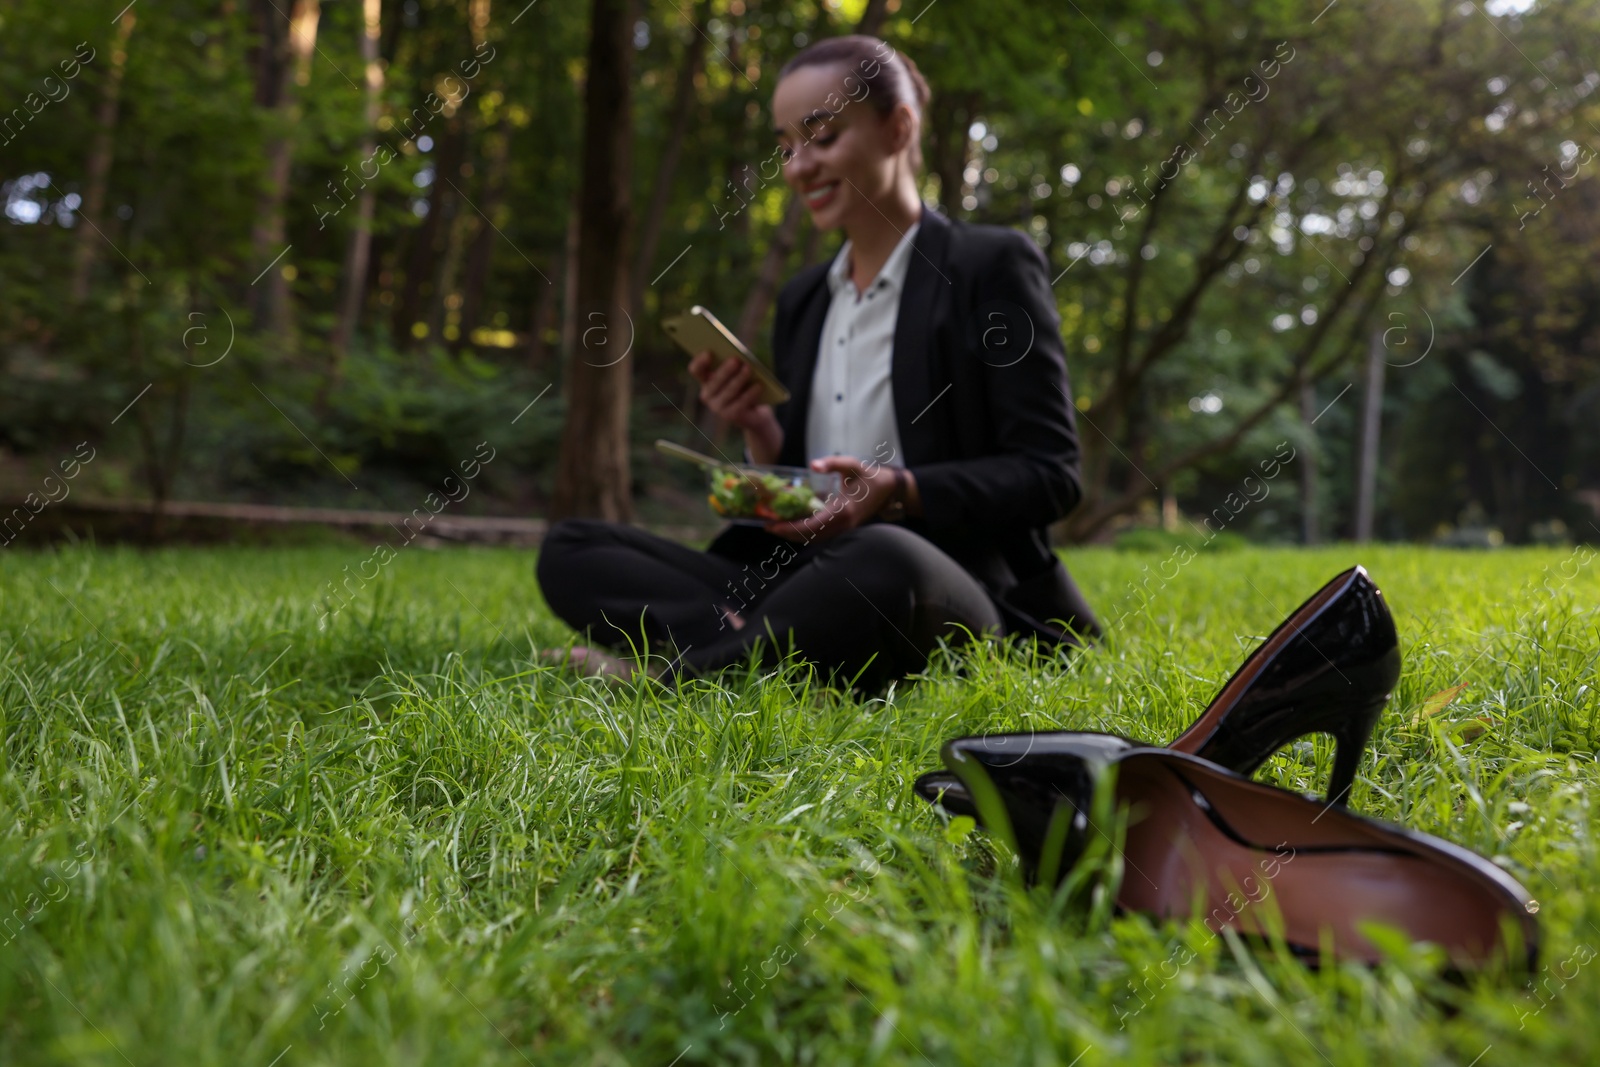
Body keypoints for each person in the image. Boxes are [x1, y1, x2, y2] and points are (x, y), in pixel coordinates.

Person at [537, 34, 1100, 691]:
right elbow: (812, 479)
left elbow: (1051, 474)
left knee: (883, 555)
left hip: (945, 587)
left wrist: (899, 493)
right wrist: (761, 432)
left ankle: (676, 676)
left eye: (822, 137)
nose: (798, 167)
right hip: (803, 576)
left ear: (897, 128)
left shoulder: (989, 267)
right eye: (785, 147)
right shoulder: (805, 299)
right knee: (571, 548)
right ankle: (775, 644)